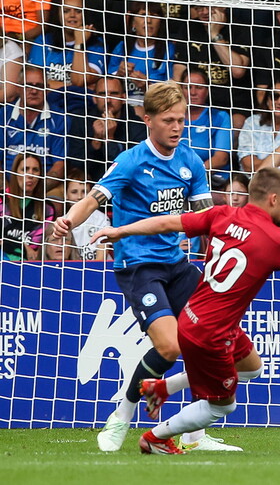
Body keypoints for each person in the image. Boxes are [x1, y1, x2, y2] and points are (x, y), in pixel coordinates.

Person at [91, 167, 280, 455]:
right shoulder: (278, 241)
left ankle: (161, 389)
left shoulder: (222, 214)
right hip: (210, 334)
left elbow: (166, 224)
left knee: (251, 368)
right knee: (224, 404)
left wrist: (120, 231)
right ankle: (156, 437)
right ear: (274, 199)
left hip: (194, 316)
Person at [51, 81, 233, 452]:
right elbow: (94, 198)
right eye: (169, 120)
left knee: (212, 341)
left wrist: (220, 249)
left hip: (179, 265)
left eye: (181, 120)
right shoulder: (132, 161)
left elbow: (203, 216)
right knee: (169, 346)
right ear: (147, 119)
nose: (177, 127)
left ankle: (195, 435)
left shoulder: (191, 162)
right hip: (139, 267)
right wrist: (68, 220)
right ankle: (121, 416)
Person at [65, 76, 144, 181]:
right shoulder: (81, 120)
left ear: (124, 98)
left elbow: (131, 167)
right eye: (103, 94)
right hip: (88, 185)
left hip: (125, 184)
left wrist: (110, 139)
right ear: (94, 98)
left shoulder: (136, 124)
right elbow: (77, 165)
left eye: (114, 94)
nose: (108, 100)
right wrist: (96, 141)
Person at [27, 0, 106, 90]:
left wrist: (79, 43)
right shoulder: (44, 40)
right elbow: (36, 83)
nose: (72, 15)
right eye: (66, 11)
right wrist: (74, 88)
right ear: (58, 14)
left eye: (78, 11)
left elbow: (79, 80)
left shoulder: (96, 45)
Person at [2, 65, 66, 179]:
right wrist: (7, 188)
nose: (34, 91)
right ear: (18, 88)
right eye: (28, 86)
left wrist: (38, 192)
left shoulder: (59, 118)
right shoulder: (3, 114)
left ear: (47, 89)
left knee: (55, 196)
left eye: (39, 86)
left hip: (45, 187)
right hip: (7, 185)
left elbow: (59, 165)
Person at [107, 1, 174, 107]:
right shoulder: (122, 47)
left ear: (161, 22)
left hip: (155, 108)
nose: (148, 21)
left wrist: (147, 86)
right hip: (123, 109)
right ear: (133, 22)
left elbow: (173, 93)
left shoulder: (169, 50)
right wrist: (119, 73)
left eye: (154, 16)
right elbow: (107, 83)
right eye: (143, 15)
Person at [180, 67, 231, 180]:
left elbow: (221, 158)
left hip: (210, 179)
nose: (193, 93)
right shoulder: (172, 116)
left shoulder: (220, 117)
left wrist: (190, 175)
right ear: (181, 90)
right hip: (175, 177)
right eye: (188, 87)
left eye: (199, 87)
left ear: (207, 90)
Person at [1, 152, 54, 261]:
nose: (30, 175)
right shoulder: (1, 200)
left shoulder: (47, 209)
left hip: (27, 265)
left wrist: (8, 242)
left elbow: (33, 250)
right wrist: (23, 246)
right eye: (25, 169)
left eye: (35, 170)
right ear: (15, 173)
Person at [236, 82, 280, 173]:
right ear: (268, 101)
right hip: (251, 181)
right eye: (274, 96)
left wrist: (260, 164)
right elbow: (248, 165)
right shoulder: (252, 122)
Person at [63, 170, 109, 260]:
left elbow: (101, 258)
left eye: (84, 191)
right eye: (74, 192)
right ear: (66, 195)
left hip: (98, 268)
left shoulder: (101, 218)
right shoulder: (62, 221)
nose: (79, 196)